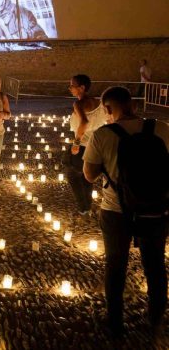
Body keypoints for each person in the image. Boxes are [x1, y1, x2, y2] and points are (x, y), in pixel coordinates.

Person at [83, 87, 169, 337]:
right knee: (154, 262)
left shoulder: (104, 134)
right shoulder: (162, 128)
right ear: (131, 104)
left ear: (108, 109)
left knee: (116, 263)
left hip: (116, 210)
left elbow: (88, 175)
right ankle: (155, 316)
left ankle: (115, 321)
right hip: (155, 208)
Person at [66, 74, 106, 216]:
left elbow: (84, 122)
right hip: (94, 145)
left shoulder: (78, 104)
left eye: (72, 85)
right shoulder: (97, 102)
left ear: (82, 88)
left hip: (82, 145)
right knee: (87, 177)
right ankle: (87, 207)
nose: (70, 88)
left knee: (73, 175)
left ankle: (83, 207)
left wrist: (76, 143)